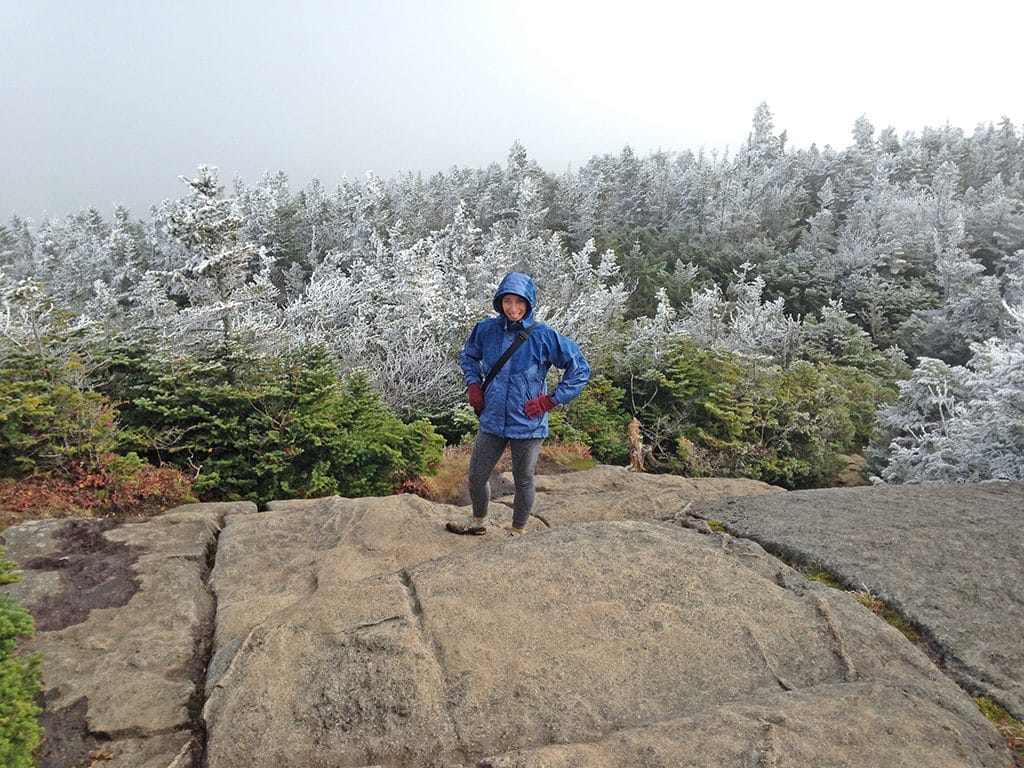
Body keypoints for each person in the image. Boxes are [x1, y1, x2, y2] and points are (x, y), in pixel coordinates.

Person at [447, 272, 591, 535]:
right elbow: (468, 355)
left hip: (528, 420)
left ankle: (518, 531)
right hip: (492, 418)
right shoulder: (486, 330)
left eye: (519, 302)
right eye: (507, 301)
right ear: (499, 302)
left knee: (523, 479)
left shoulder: (543, 336)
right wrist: (473, 383)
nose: (513, 308)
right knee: (477, 476)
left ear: (529, 303)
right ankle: (478, 522)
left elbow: (579, 367)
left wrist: (551, 400)